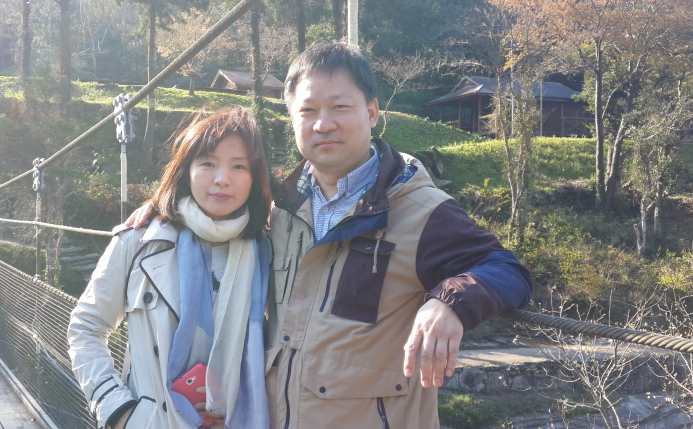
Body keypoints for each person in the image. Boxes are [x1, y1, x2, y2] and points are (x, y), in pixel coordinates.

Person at [129, 42, 533, 428]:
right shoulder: (281, 208)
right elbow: (217, 208)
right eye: (308, 111)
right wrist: (169, 210)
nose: (323, 124)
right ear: (292, 118)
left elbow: (507, 270)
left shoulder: (423, 210)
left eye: (340, 107)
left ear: (372, 112)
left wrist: (449, 303)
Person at [68, 107, 272, 429]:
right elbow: (86, 327)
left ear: (255, 178)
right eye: (207, 163)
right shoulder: (139, 242)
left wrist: (238, 409)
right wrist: (119, 411)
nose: (222, 179)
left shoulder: (270, 251)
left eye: (239, 166)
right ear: (186, 170)